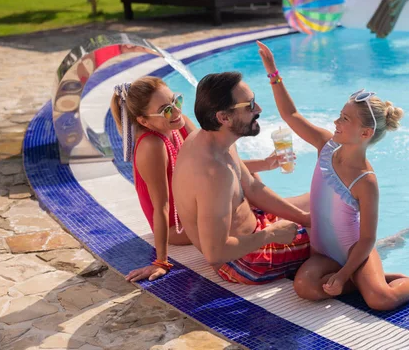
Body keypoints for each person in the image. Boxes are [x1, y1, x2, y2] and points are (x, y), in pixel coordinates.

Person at [256, 41, 409, 310]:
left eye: (345, 119)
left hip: (355, 253)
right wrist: (273, 71)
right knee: (304, 287)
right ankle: (375, 280)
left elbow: (366, 239)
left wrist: (343, 275)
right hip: (324, 254)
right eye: (339, 116)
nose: (335, 122)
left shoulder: (365, 181)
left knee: (381, 300)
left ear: (365, 134)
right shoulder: (325, 146)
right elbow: (290, 114)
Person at [110, 77, 290, 282]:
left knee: (245, 182)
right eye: (166, 110)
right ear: (144, 121)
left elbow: (219, 160)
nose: (176, 112)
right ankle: (265, 235)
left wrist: (266, 163)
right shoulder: (152, 147)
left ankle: (269, 224)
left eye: (176, 101)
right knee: (233, 207)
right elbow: (161, 206)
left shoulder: (181, 124)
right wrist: (160, 261)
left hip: (194, 205)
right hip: (176, 226)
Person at [173, 71, 312, 285]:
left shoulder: (214, 140)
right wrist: (272, 234)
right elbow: (215, 253)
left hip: (253, 229)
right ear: (223, 117)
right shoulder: (213, 174)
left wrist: (303, 218)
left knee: (320, 205)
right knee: (333, 236)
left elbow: (253, 188)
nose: (259, 109)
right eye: (249, 105)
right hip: (244, 260)